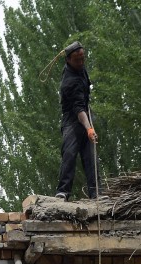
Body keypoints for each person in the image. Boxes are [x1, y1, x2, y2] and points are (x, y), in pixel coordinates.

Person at [55, 41, 98, 201]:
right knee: (70, 154)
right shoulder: (69, 81)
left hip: (85, 117)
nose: (81, 63)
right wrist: (89, 128)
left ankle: (96, 194)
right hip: (72, 121)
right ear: (68, 60)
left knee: (90, 157)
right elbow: (79, 109)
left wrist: (88, 126)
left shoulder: (81, 68)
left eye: (83, 59)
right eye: (77, 60)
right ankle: (63, 192)